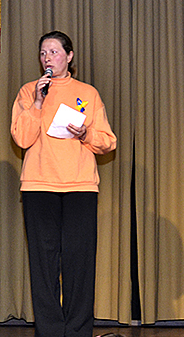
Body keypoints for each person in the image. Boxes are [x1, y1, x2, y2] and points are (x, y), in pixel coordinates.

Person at [11, 31, 116, 337]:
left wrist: (85, 135)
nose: (47, 59)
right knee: (43, 265)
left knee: (79, 262)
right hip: (38, 186)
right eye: (43, 53)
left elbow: (108, 141)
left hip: (79, 186)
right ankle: (50, 331)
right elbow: (21, 138)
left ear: (69, 56)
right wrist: (38, 103)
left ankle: (78, 330)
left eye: (54, 53)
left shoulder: (88, 92)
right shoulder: (29, 91)